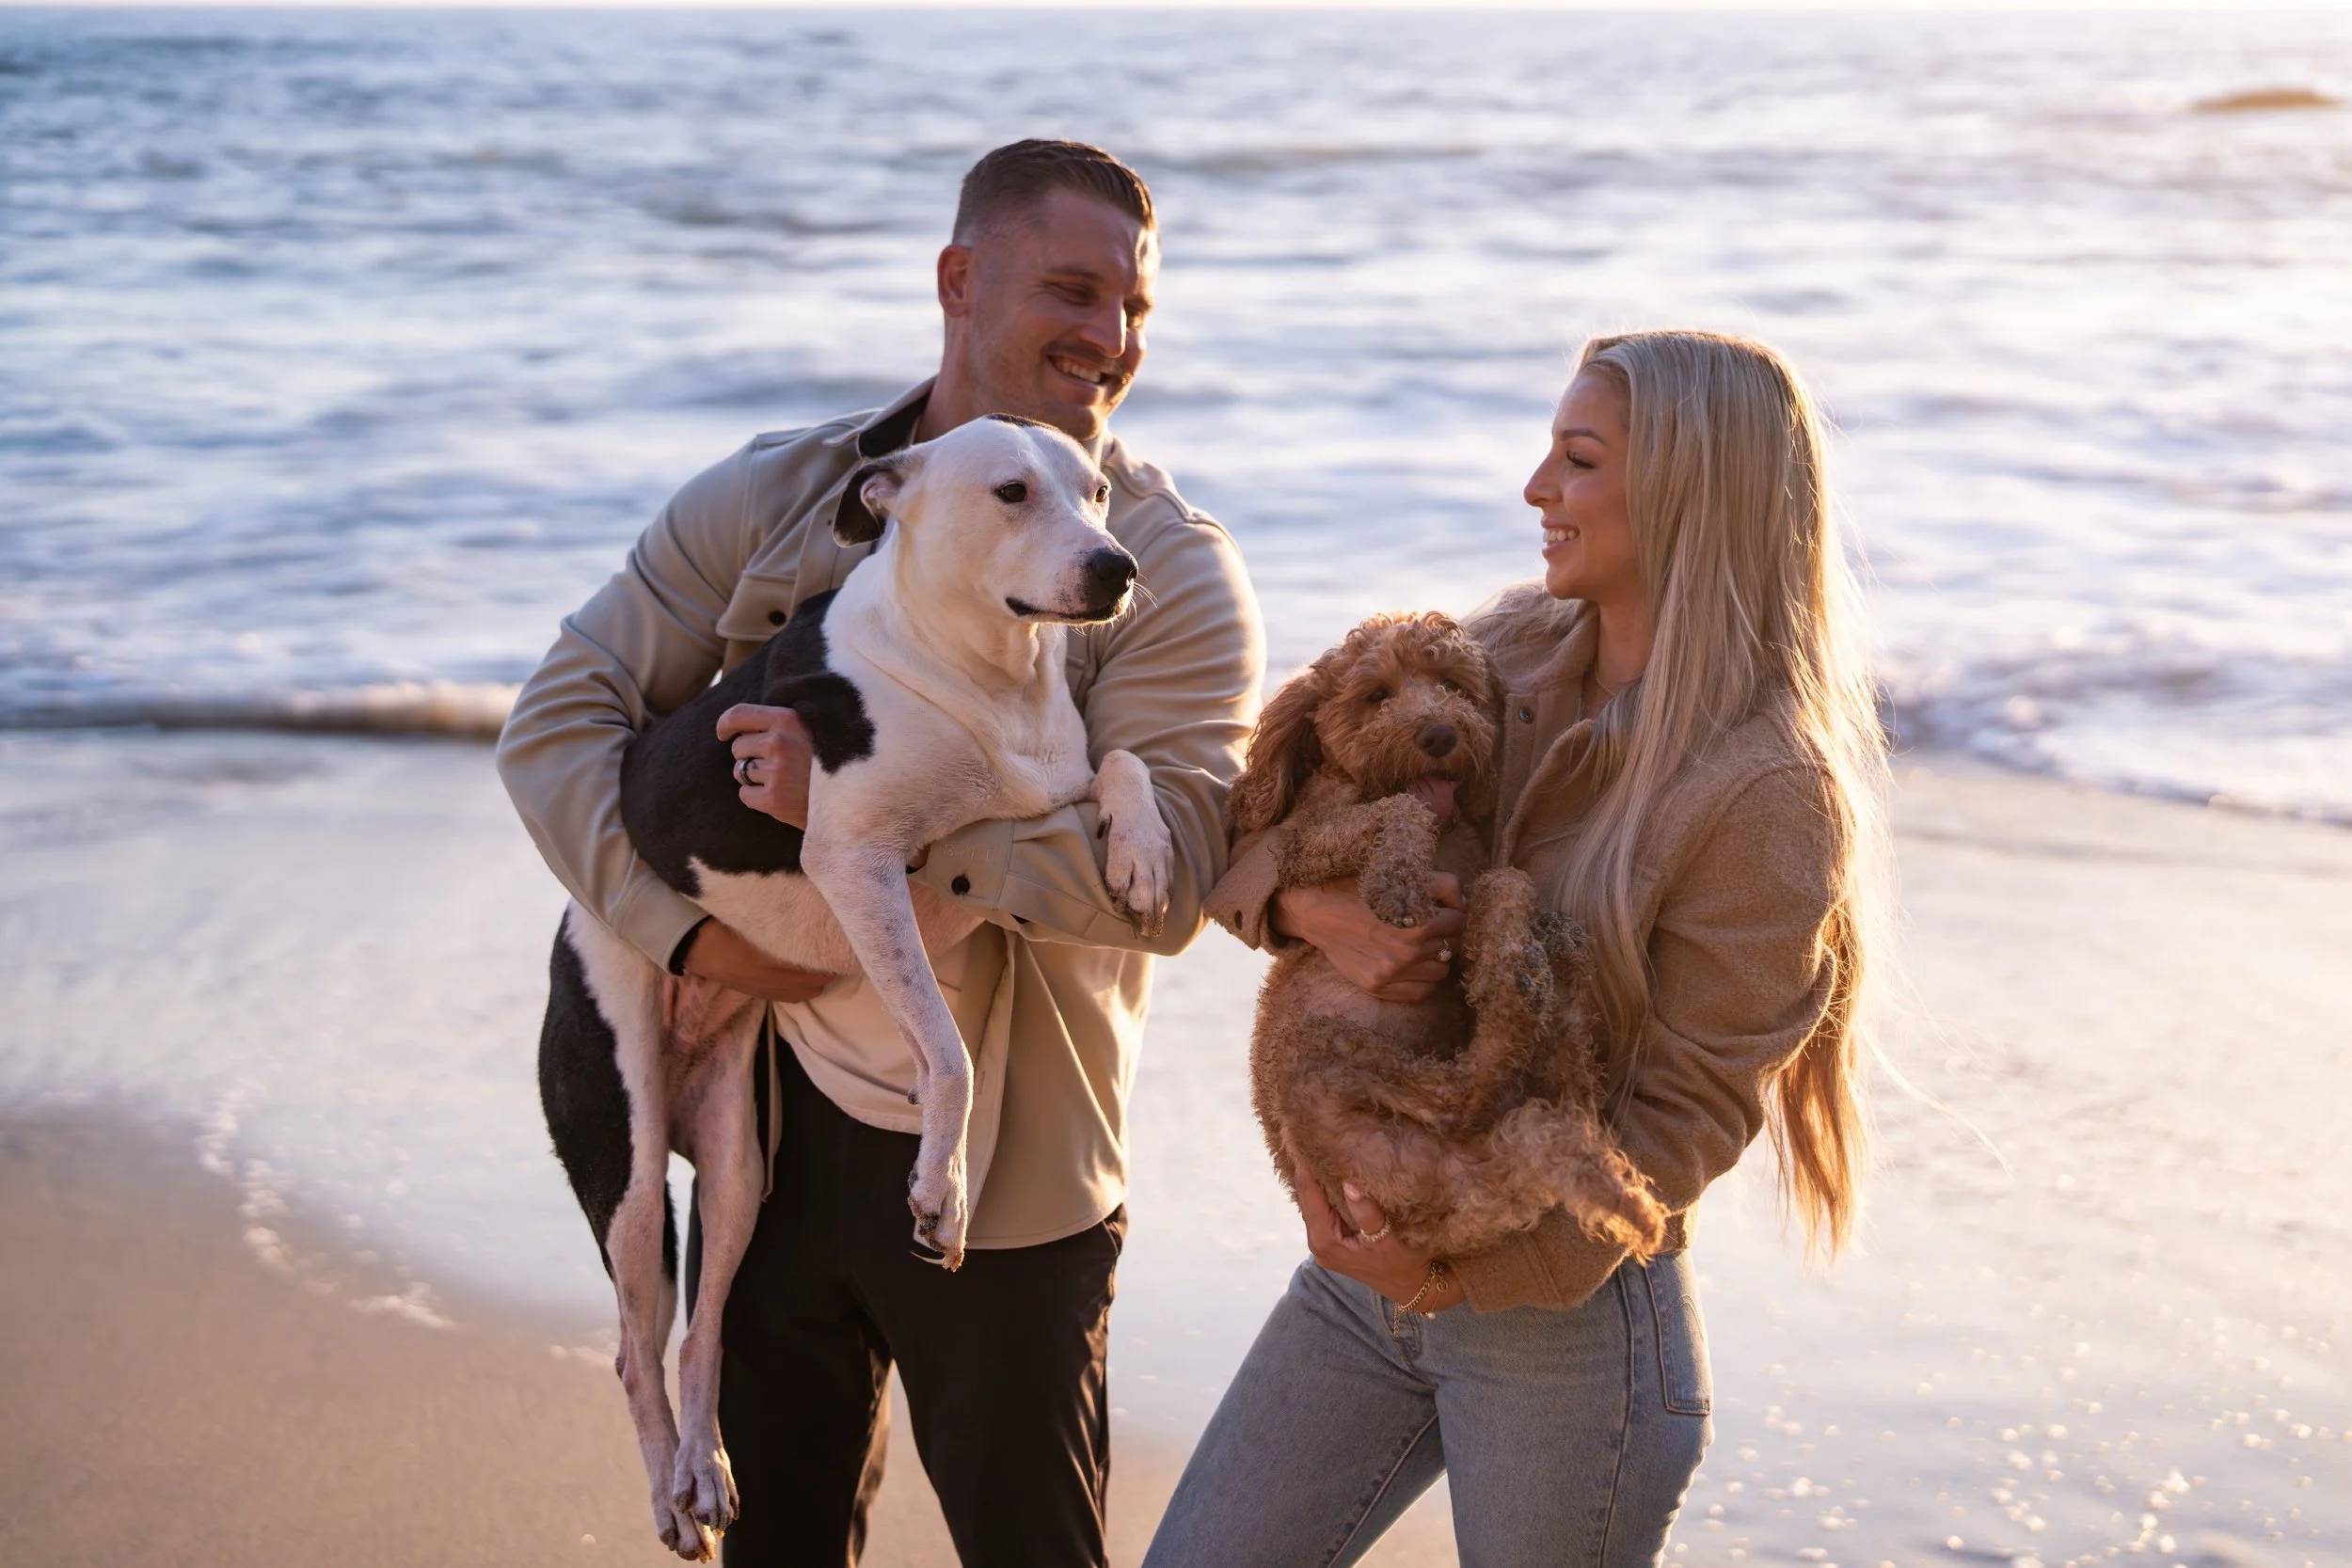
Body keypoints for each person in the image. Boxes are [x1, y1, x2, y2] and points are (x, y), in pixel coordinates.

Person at [497, 139, 1263, 1567]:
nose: (1110, 337)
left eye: (1136, 310)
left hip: (1011, 1184)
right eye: (1074, 289)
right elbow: (555, 726)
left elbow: (1170, 883)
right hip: (772, 1147)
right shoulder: (780, 495)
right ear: (959, 280)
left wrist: (891, 853)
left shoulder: (1163, 569)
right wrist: (692, 943)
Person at [1148, 330, 1888, 1567]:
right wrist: (1302, 912)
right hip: (1363, 1278)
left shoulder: (1769, 792)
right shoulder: (1503, 654)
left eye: (1577, 458)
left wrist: (1460, 1273)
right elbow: (1277, 822)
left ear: (1686, 491)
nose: (1535, 488)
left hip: (1568, 1320)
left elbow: (1686, 1119)